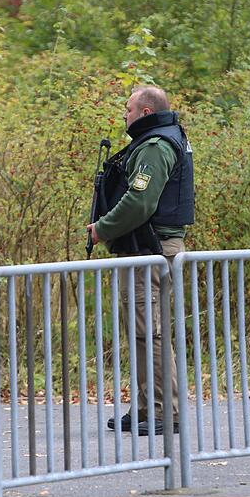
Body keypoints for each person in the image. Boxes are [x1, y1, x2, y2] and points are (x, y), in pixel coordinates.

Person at [86, 84, 194, 436]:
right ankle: (149, 406)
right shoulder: (161, 139)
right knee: (143, 332)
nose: (124, 114)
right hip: (148, 248)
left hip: (152, 248)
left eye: (129, 109)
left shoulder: (155, 146)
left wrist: (102, 228)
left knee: (152, 333)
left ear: (146, 113)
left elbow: (140, 202)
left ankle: (167, 411)